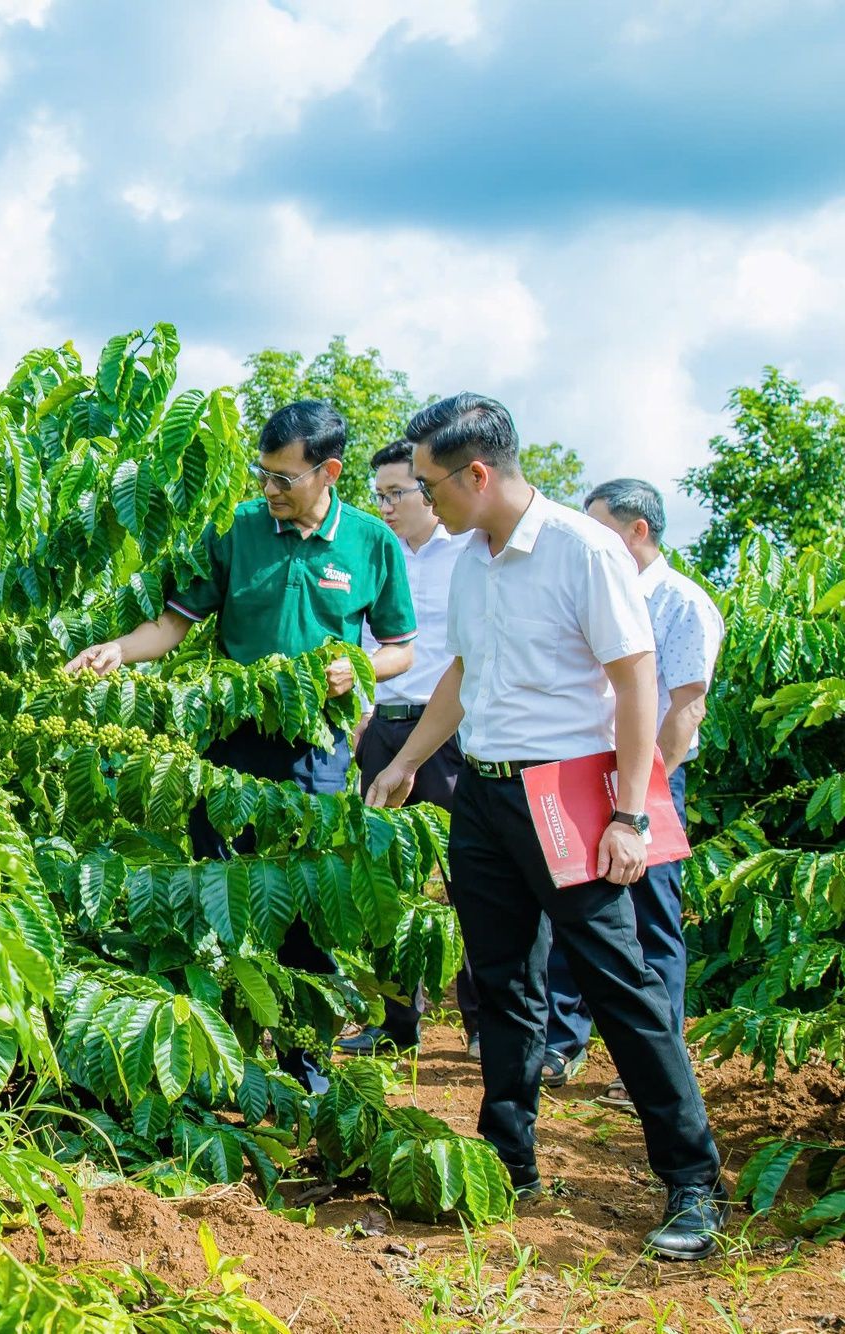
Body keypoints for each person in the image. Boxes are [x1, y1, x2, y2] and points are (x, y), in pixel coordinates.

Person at [366, 394, 725, 1260]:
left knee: (619, 987)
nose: (422, 498)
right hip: (485, 798)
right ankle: (511, 1157)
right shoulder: (473, 559)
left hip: (568, 795)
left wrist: (632, 814)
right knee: (502, 983)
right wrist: (409, 759)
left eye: (429, 483)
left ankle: (691, 1182)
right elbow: (463, 671)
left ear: (478, 474)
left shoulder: (583, 550)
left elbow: (638, 685)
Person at [65, 400, 418, 1092]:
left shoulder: (372, 544)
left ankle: (305, 1069)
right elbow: (173, 624)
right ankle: (210, 1068)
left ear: (329, 472)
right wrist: (117, 650)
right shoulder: (236, 530)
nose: (269, 491)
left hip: (315, 751)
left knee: (304, 911)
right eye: (263, 474)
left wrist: (358, 667)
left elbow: (402, 648)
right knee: (212, 895)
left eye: (284, 479)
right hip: (226, 744)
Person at [539, 479, 723, 1105]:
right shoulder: (597, 590)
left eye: (601, 525)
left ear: (637, 530)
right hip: (585, 772)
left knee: (651, 921)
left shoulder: (681, 602)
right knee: (576, 906)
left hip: (649, 782)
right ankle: (562, 1043)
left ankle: (648, 1064)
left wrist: (643, 795)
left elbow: (685, 707)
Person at [335, 441, 482, 1059]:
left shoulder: (471, 554)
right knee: (387, 880)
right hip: (385, 726)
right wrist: (362, 721)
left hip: (451, 732)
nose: (386, 506)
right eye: (379, 495)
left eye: (398, 492)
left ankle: (484, 1024)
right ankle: (399, 1023)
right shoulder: (375, 553)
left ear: (430, 491)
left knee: (467, 877)